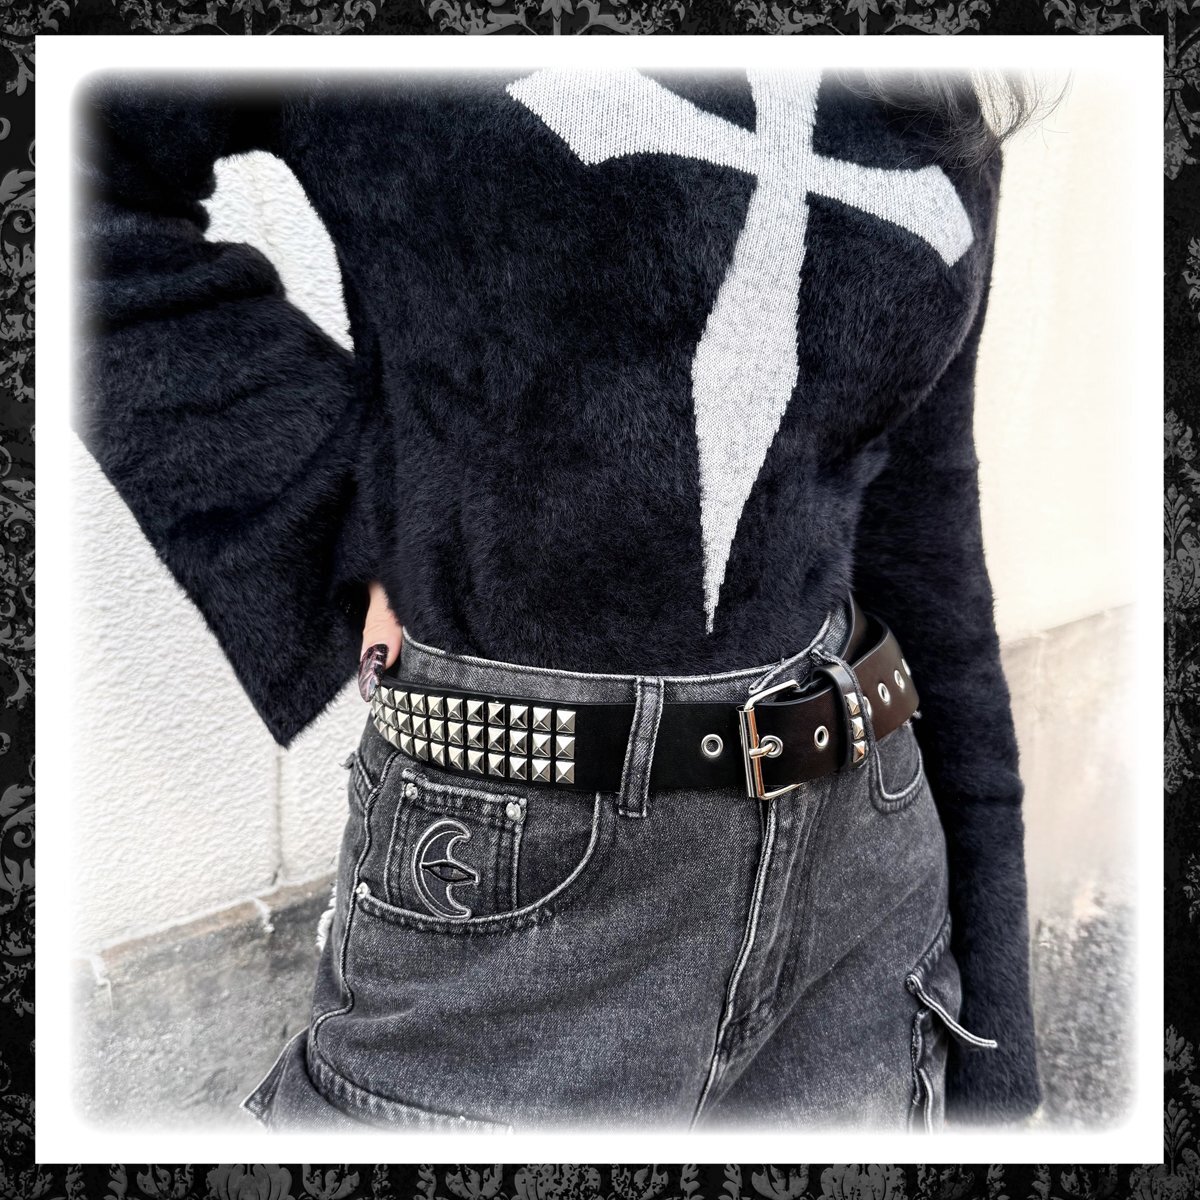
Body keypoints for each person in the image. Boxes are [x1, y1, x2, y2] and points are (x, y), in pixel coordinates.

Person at [75, 65, 1046, 1131]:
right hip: (521, 879)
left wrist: (1000, 1052)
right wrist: (339, 523)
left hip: (870, 892)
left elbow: (926, 528)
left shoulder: (923, 86)